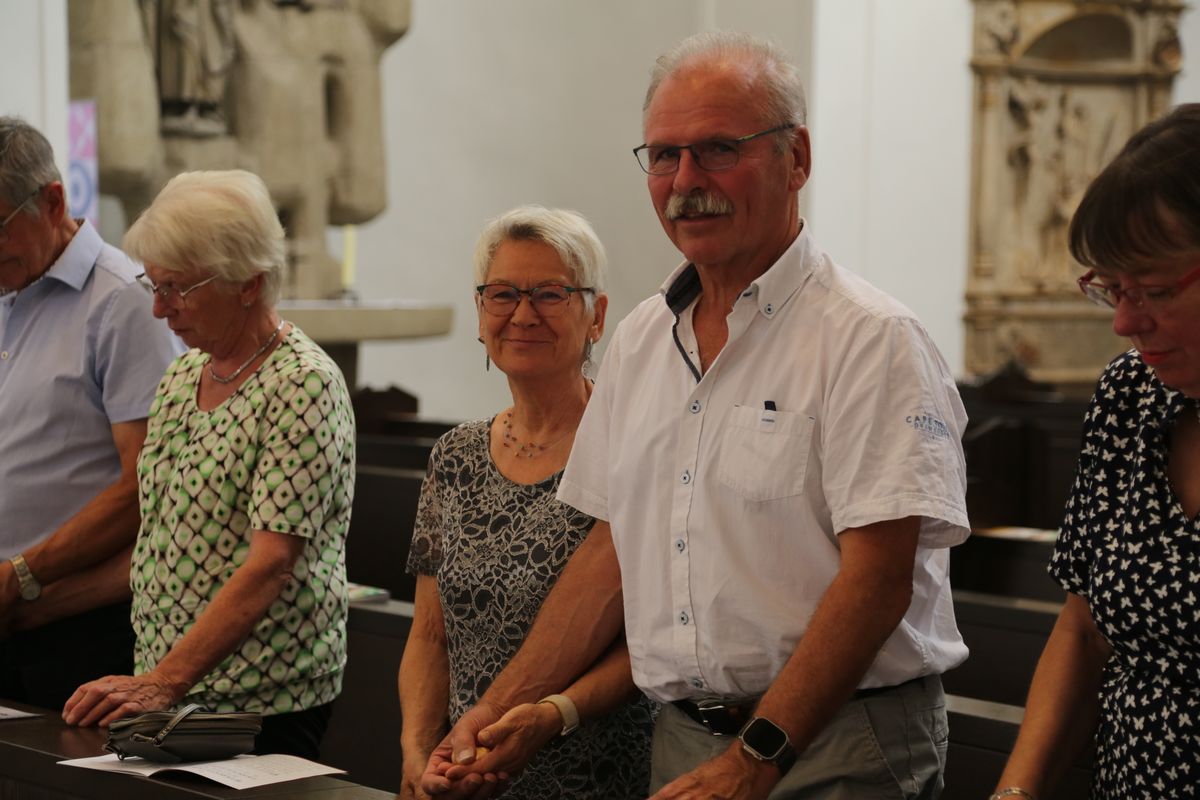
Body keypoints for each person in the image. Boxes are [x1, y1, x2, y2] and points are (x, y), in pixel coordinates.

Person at [424, 32, 970, 800]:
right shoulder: (644, 339)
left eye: (718, 149)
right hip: (682, 738)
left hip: (839, 744)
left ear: (796, 158)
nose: (686, 181)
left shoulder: (871, 339)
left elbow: (877, 582)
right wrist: (500, 707)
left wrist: (756, 757)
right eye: (664, 156)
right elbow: (612, 552)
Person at [60, 169, 356, 760]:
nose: (159, 309)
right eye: (154, 284)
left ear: (248, 283)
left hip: (260, 698)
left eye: (177, 288)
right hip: (170, 683)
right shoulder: (184, 374)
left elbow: (271, 564)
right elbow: (160, 536)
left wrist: (164, 681)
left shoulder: (302, 384)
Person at [399, 206, 653, 800]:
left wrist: (550, 717)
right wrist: (417, 753)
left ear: (597, 316)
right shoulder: (455, 456)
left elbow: (645, 645)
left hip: (591, 774)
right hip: (461, 772)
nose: (522, 313)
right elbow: (429, 636)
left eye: (549, 294)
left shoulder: (631, 447)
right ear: (480, 312)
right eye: (503, 294)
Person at [991, 104, 1200, 800]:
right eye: (1111, 288)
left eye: (1155, 289)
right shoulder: (1130, 396)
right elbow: (1084, 628)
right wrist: (1015, 794)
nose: (1125, 320)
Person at [0, 116, 182, 709]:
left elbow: (146, 485)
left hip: (71, 625)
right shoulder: (9, 285)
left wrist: (22, 574)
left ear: (53, 201)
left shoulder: (124, 301)